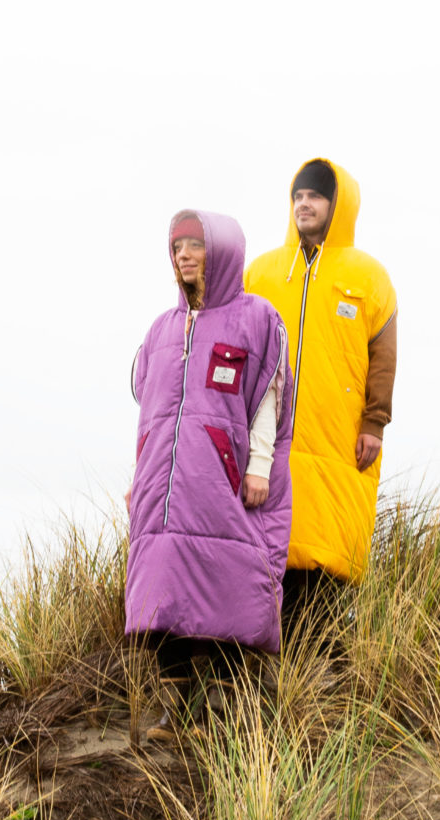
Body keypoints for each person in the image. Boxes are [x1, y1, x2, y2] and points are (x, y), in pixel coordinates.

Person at [126, 210, 292, 741]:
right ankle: (174, 708)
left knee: (225, 586)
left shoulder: (255, 318)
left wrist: (259, 465)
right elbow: (148, 409)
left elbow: (269, 397)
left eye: (195, 246)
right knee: (162, 591)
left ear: (220, 252)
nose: (184, 256)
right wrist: (140, 473)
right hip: (164, 486)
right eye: (177, 248)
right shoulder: (161, 329)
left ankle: (218, 707)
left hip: (222, 482)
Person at [244, 158, 398, 635]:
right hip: (267, 439)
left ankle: (320, 656)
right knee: (265, 551)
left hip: (339, 437)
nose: (304, 204)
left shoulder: (368, 277)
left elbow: (384, 356)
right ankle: (263, 653)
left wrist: (374, 422)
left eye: (315, 196)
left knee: (326, 556)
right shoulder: (262, 273)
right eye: (299, 196)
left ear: (338, 204)